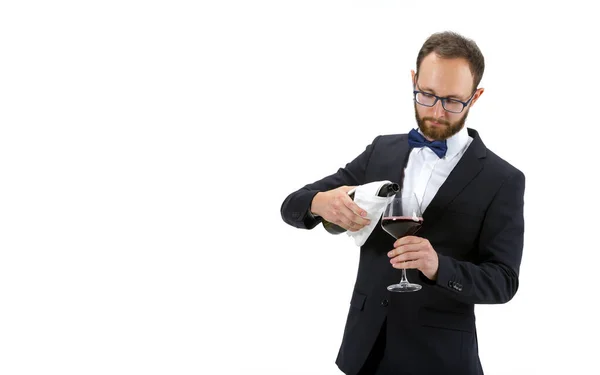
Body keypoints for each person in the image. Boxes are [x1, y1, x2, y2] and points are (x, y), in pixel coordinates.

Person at [280, 31, 525, 375]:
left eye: (453, 101)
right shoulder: (381, 150)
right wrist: (321, 203)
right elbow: (292, 205)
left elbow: (503, 281)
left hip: (440, 360)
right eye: (427, 94)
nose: (437, 111)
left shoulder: (503, 180)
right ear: (414, 80)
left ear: (476, 96)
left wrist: (438, 266)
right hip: (364, 352)